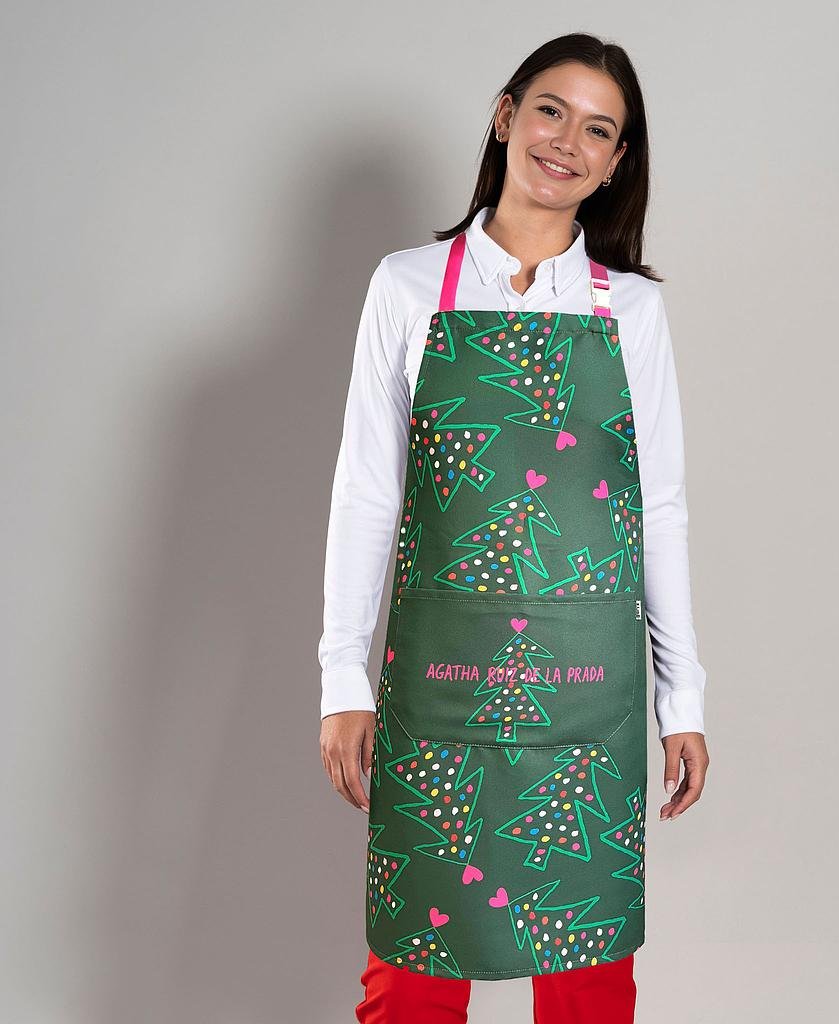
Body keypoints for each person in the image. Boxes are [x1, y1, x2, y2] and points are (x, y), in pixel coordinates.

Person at [317, 32, 710, 1023]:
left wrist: (683, 697)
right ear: (505, 116)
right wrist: (341, 676)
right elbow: (367, 490)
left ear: (616, 162)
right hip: (439, 686)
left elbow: (658, 505)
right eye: (550, 110)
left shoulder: (633, 310)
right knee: (411, 977)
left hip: (588, 693)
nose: (567, 141)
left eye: (598, 130)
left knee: (587, 981)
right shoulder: (408, 286)